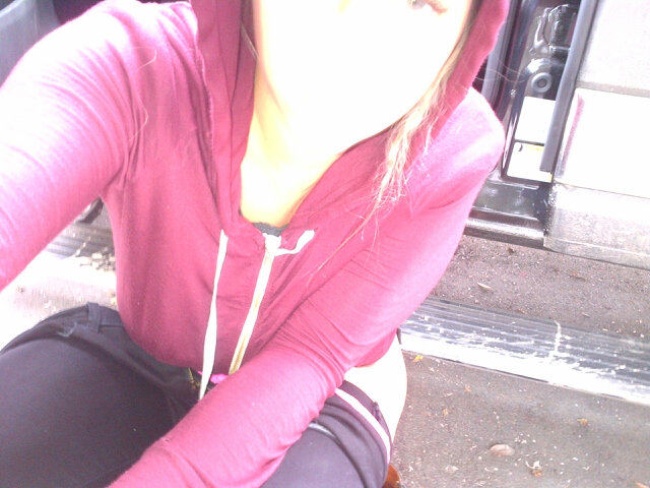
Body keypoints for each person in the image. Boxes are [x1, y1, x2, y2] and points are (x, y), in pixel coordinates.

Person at [0, 0, 508, 486]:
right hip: (150, 353)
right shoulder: (136, 67)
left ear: (463, 35)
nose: (360, 35)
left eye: (420, 1)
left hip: (330, 392)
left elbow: (307, 358)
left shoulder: (449, 156)